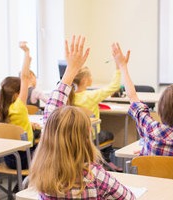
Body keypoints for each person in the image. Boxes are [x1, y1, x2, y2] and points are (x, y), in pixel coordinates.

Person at [29, 35, 135, 199]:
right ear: (86, 137)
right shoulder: (94, 175)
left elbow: (51, 111)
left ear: (49, 134)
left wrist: (71, 69)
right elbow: (129, 198)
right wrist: (120, 66)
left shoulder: (43, 172)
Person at [113, 42, 173, 159]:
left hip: (148, 177)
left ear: (161, 109)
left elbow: (132, 97)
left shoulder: (151, 129)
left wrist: (122, 66)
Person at [0, 41, 37, 169]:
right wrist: (26, 52)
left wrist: (28, 125)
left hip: (9, 158)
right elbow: (24, 77)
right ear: (16, 94)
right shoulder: (18, 107)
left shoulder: (2, 109)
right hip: (26, 158)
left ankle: (22, 184)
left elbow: (15, 126)